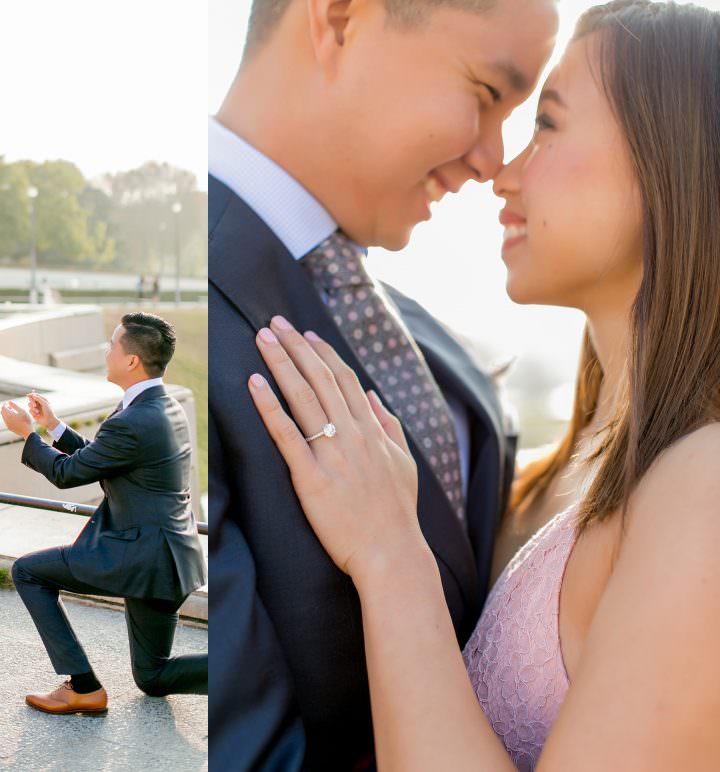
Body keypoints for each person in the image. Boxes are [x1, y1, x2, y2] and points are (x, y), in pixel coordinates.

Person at [246, 2, 720, 768]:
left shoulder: (705, 485)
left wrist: (391, 557)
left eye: (550, 125)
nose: (501, 172)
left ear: (674, 157)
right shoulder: (548, 475)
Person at [208, 0, 558, 767]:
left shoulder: (412, 329)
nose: (495, 159)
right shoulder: (183, 318)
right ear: (339, 18)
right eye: (484, 93)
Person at [0, 312, 207, 714]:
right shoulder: (160, 406)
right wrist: (54, 427)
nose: (106, 351)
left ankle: (84, 686)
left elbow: (66, 473)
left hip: (143, 557)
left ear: (131, 361)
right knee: (153, 677)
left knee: (27, 571)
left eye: (113, 344)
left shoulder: (134, 419)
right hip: (170, 561)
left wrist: (28, 434)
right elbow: (104, 457)